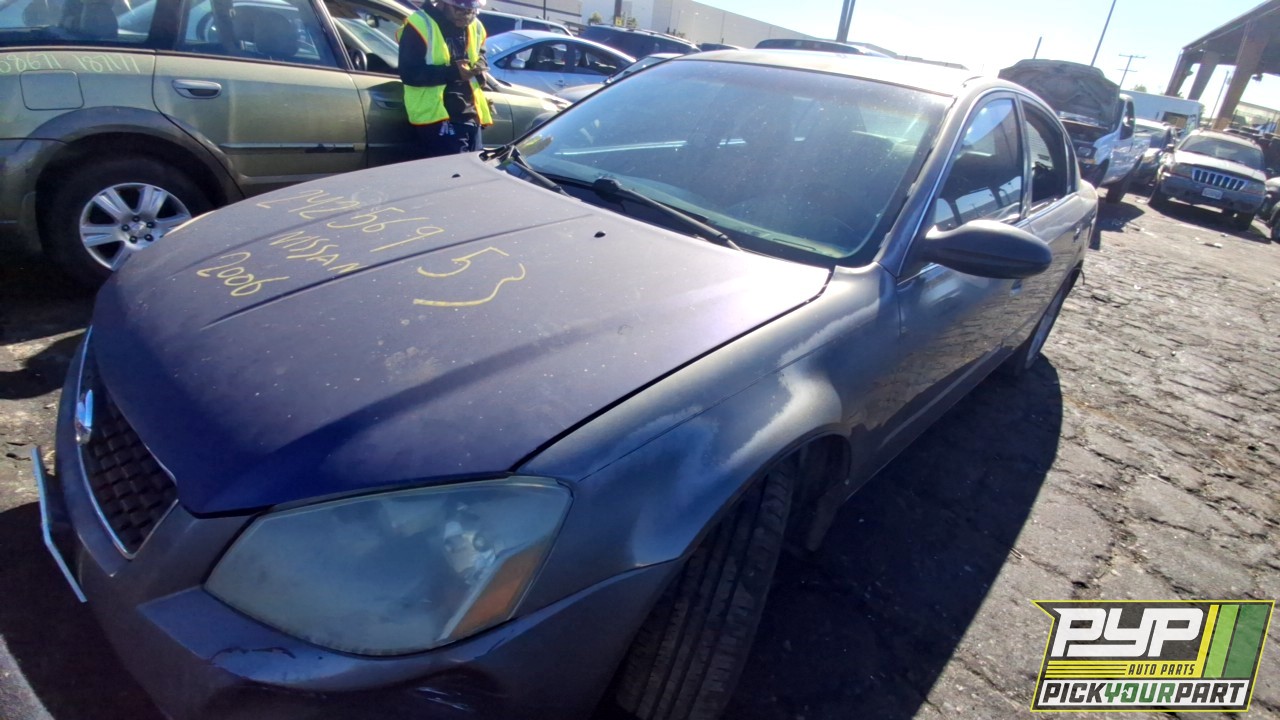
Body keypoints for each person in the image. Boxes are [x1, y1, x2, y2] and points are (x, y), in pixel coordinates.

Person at [397, 0, 492, 158]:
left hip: (470, 113)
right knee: (453, 174)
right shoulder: (420, 24)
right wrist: (454, 72)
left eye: (471, 10)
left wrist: (479, 68)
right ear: (443, 3)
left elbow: (480, 54)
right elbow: (409, 73)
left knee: (473, 174)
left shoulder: (475, 26)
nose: (467, 15)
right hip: (437, 116)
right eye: (460, 9)